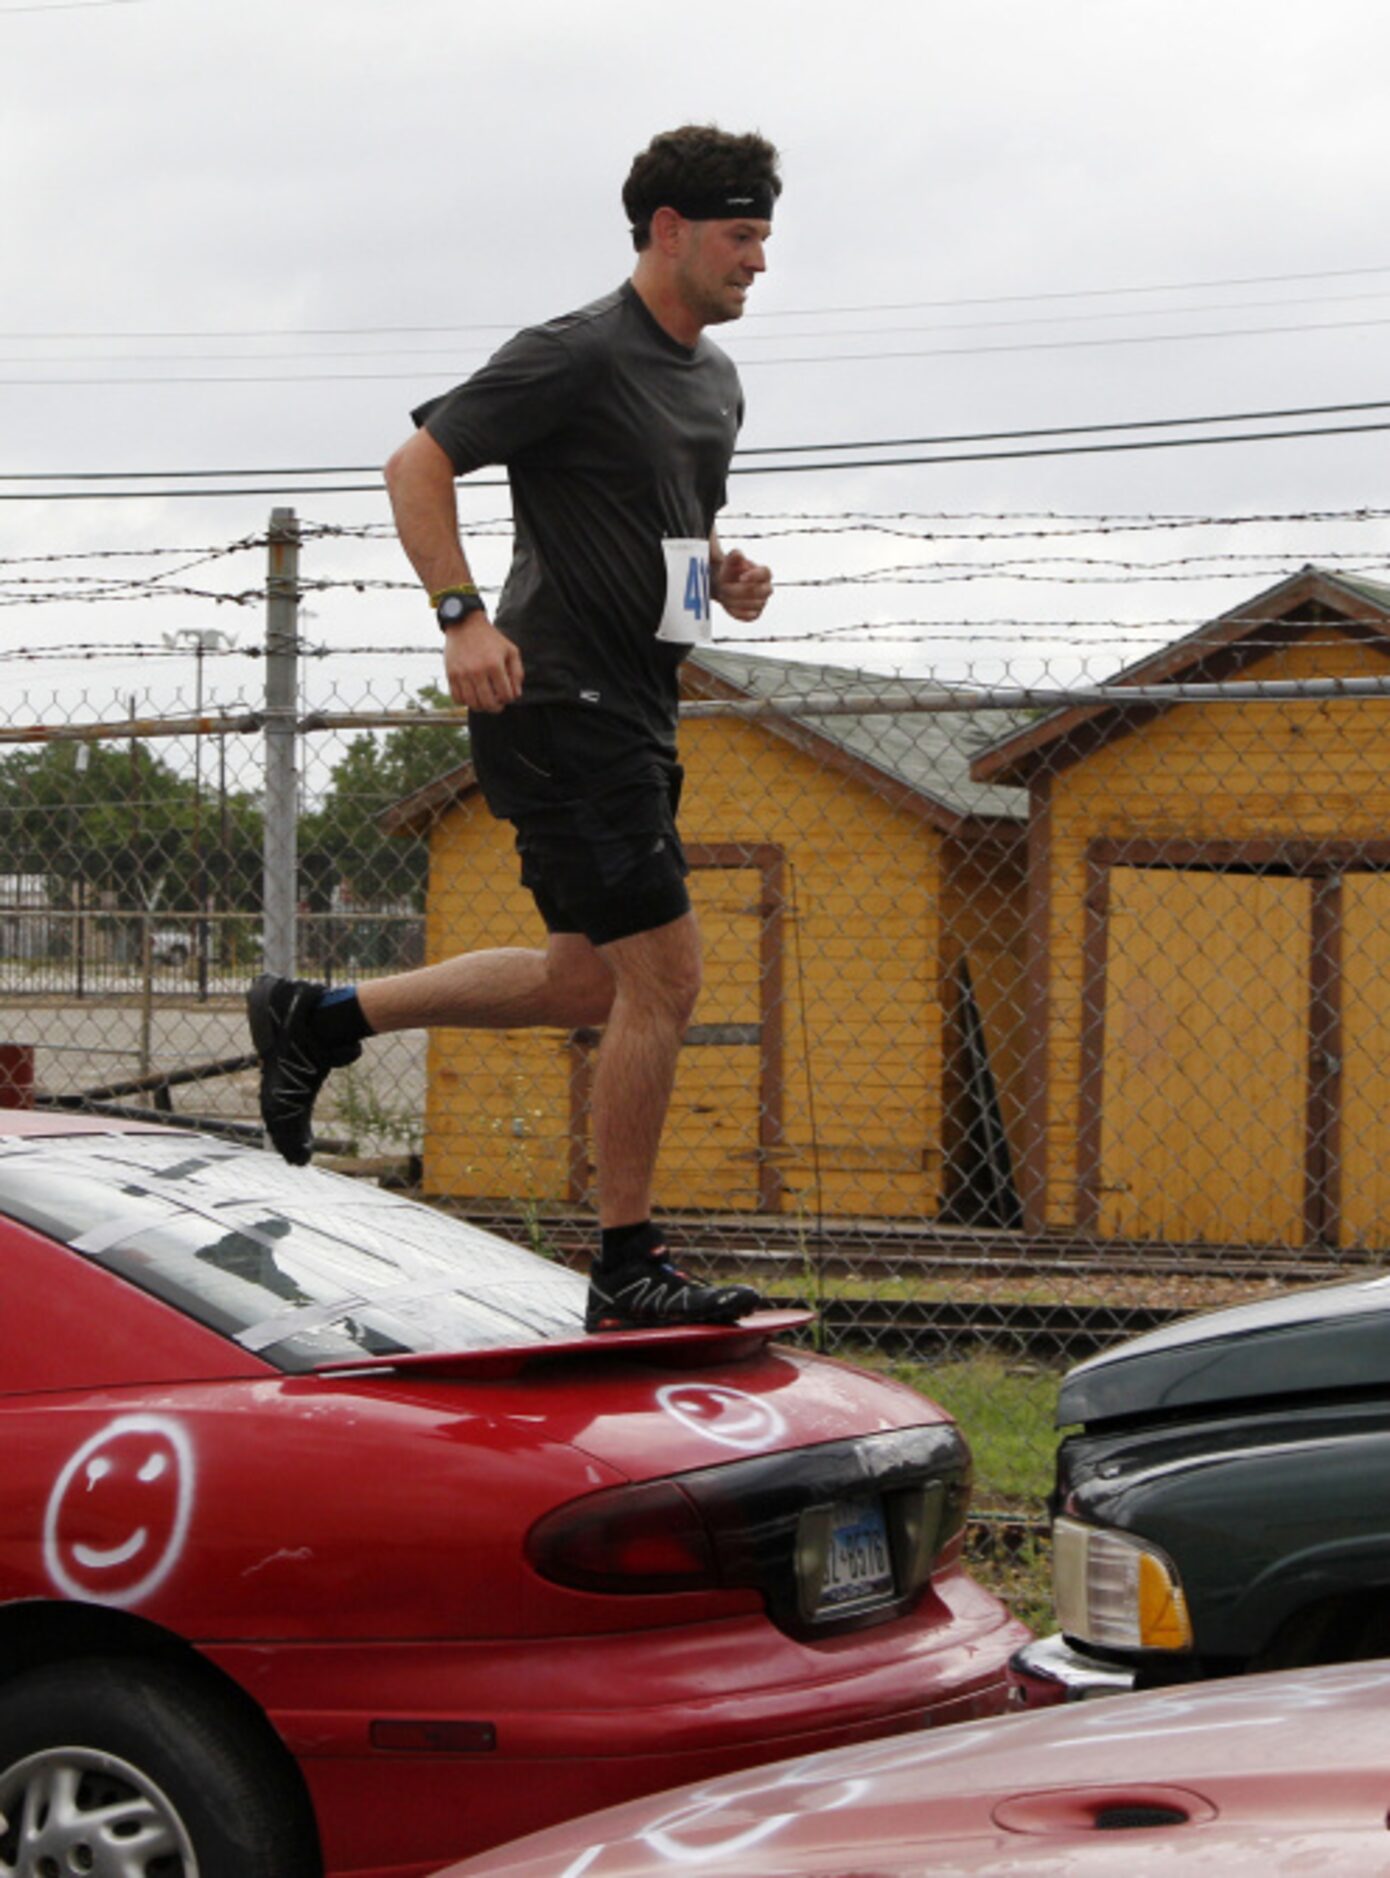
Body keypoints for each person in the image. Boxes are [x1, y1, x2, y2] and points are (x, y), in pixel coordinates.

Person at [249, 124, 781, 1333]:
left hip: (637, 705)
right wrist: (460, 618)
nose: (758, 261)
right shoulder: (577, 352)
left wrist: (723, 583)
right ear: (669, 232)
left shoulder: (715, 381)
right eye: (741, 237)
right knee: (670, 976)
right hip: (556, 701)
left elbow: (666, 540)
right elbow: (416, 462)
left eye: (762, 237)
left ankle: (320, 1017)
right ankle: (627, 1264)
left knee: (585, 980)